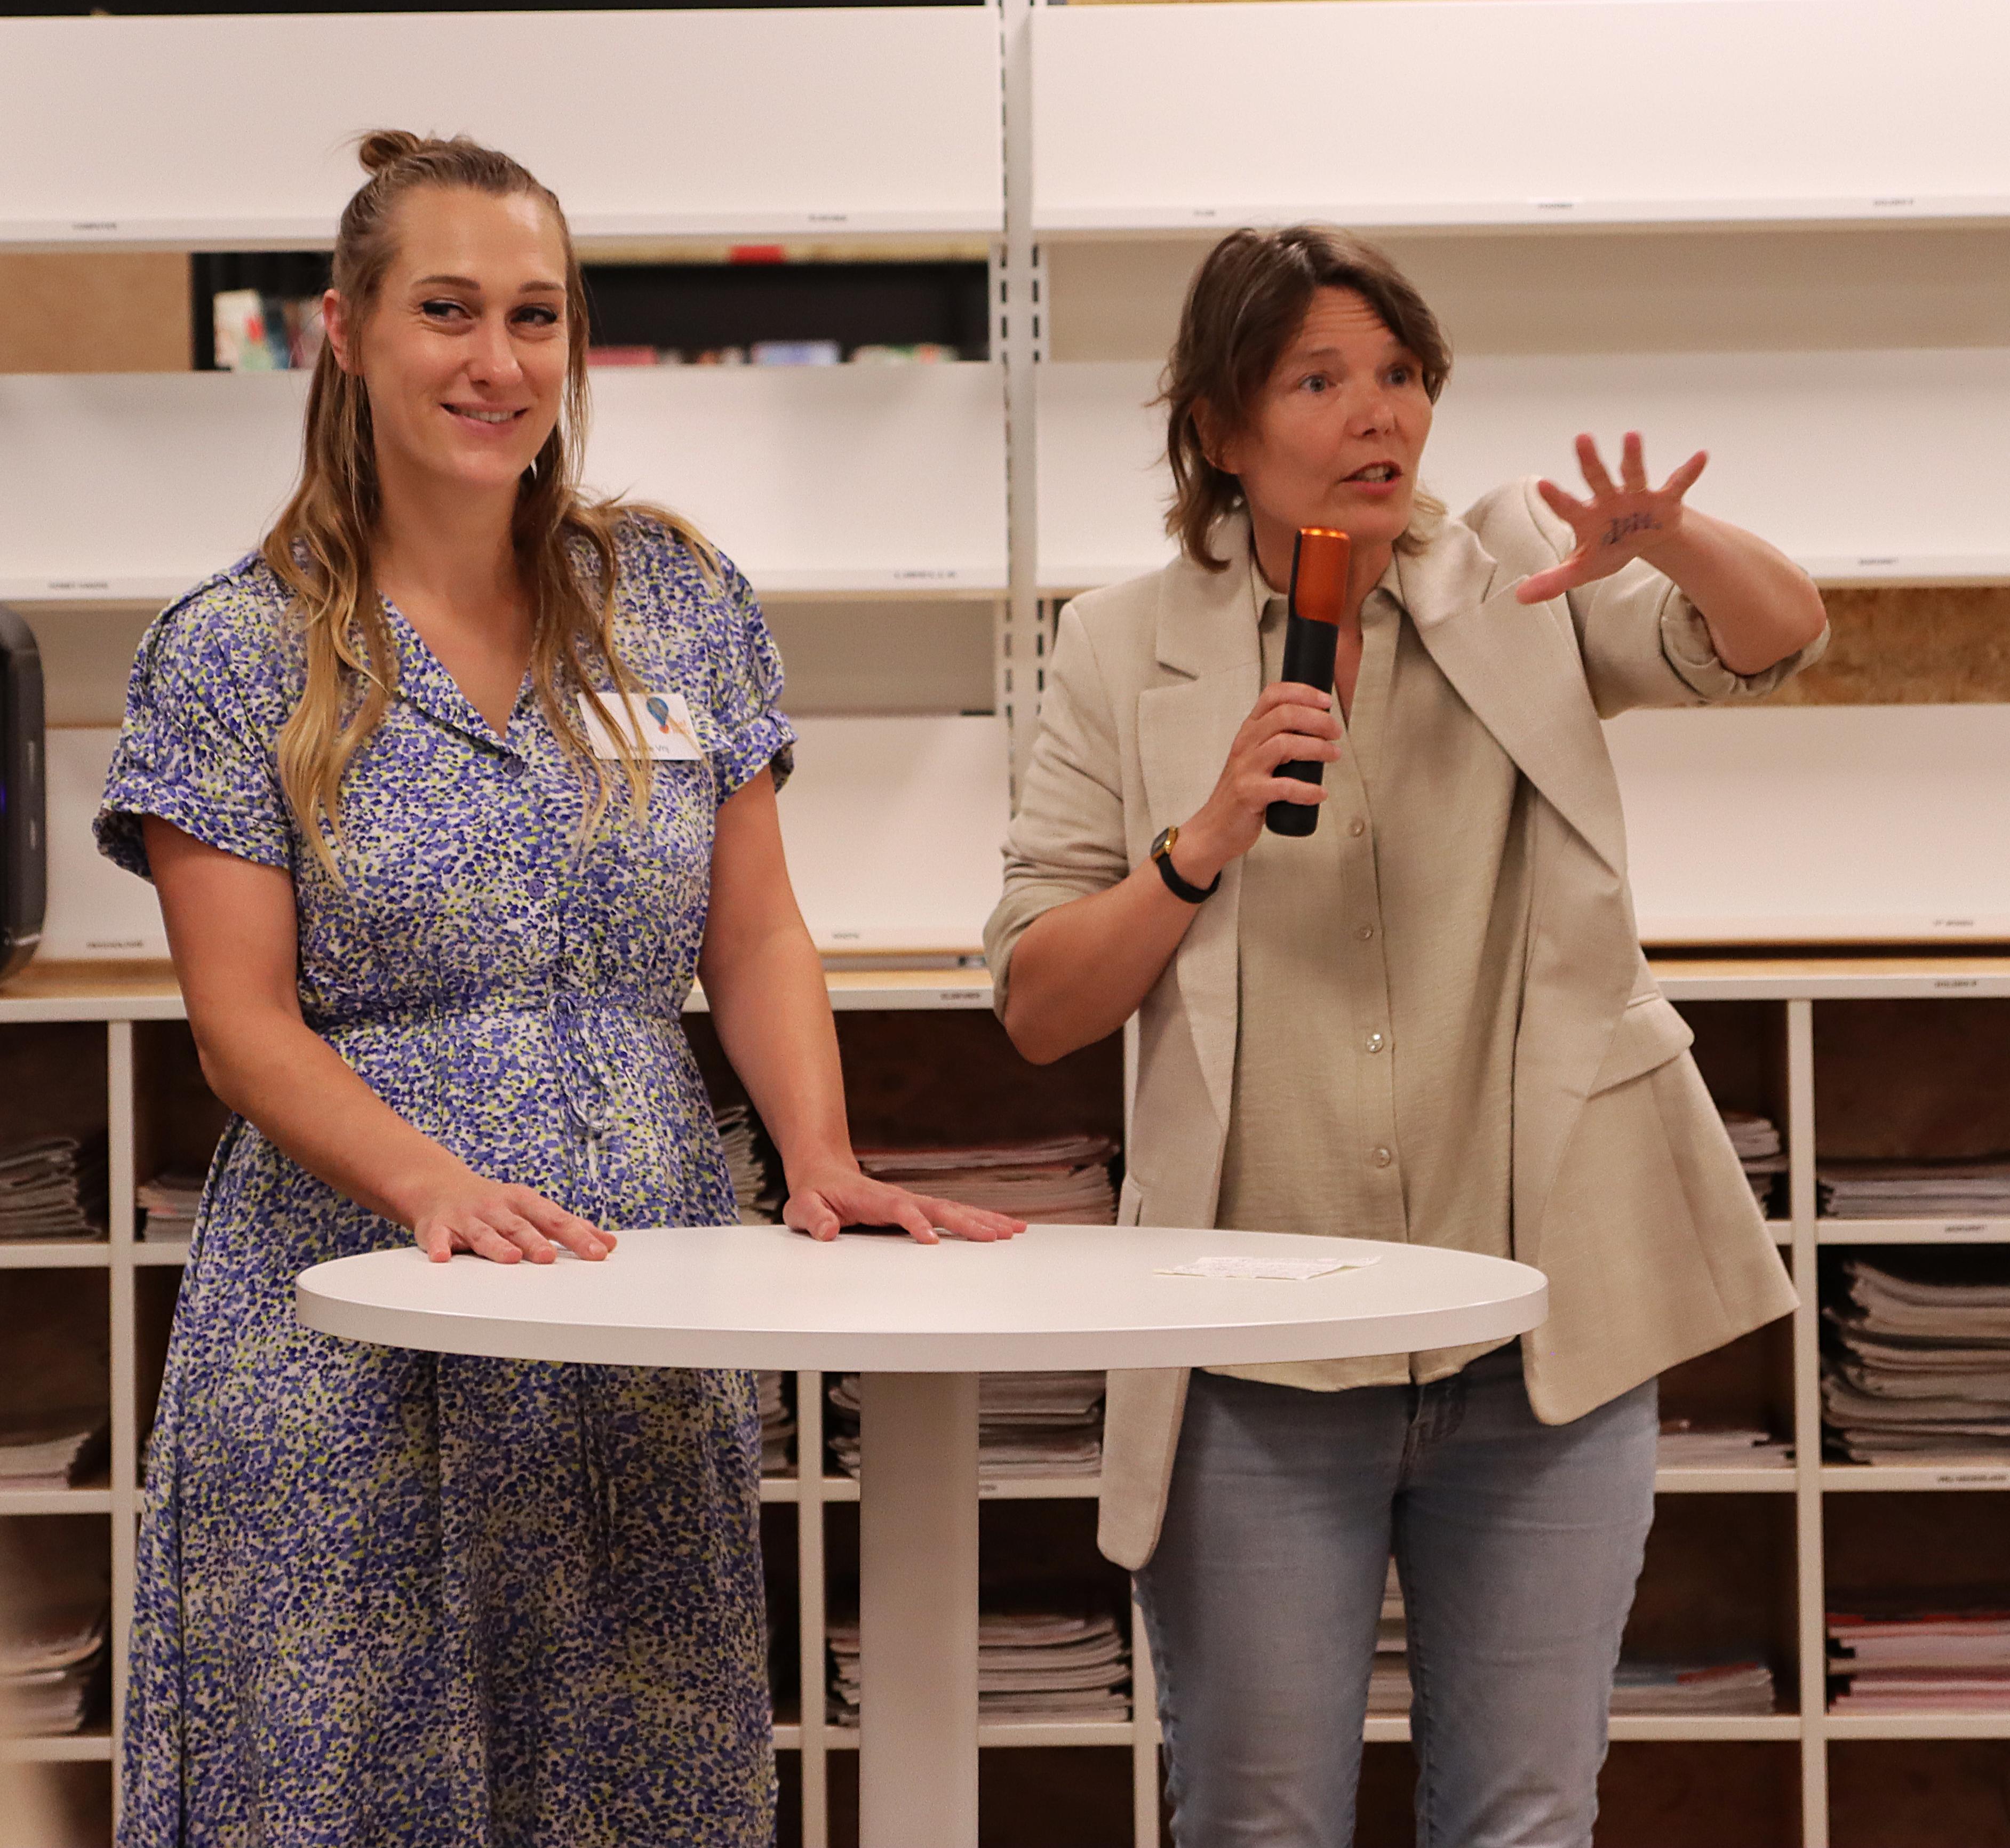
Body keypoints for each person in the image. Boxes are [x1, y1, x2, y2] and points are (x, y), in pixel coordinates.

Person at [97, 130, 1020, 1848]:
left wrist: (818, 1154)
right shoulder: (231, 647)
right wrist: (435, 1186)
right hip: (353, 1311)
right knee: (348, 1782)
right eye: (447, 310)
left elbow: (754, 935)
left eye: (537, 315)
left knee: (631, 1776)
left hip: (639, 1305)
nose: (498, 360)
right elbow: (243, 1027)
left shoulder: (672, 600)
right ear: (346, 331)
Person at [984, 226, 1828, 1847]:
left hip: (1538, 1335)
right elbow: (1037, 999)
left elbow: (1772, 636)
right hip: (1254, 1368)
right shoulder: (1121, 644)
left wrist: (1673, 539)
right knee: (1260, 1822)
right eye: (1318, 380)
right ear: (1221, 427)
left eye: (1400, 374)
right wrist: (1200, 842)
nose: (1378, 414)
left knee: (1525, 1818)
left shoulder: (1518, 574)